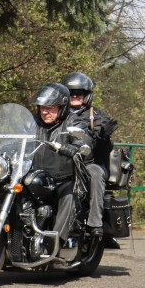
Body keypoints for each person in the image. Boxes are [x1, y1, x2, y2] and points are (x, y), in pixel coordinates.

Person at [31, 83, 93, 246]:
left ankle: (54, 243)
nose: (44, 112)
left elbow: (83, 139)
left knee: (69, 196)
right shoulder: (34, 122)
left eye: (50, 108)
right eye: (42, 107)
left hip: (63, 179)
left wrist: (75, 147)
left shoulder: (73, 120)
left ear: (62, 107)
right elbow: (19, 136)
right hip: (35, 177)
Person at [61, 71, 118, 237]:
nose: (75, 96)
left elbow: (105, 150)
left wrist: (103, 139)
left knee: (95, 173)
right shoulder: (56, 113)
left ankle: (95, 223)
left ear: (87, 95)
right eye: (71, 92)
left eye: (80, 93)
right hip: (60, 162)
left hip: (87, 163)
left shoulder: (97, 116)